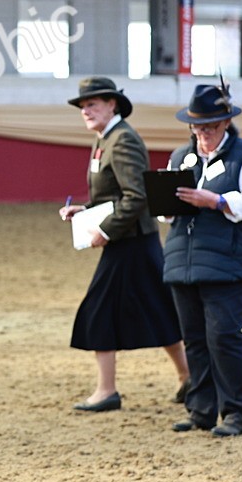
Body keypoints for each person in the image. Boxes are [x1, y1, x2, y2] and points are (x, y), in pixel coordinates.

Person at [58, 77, 188, 412]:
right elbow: (114, 195)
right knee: (159, 309)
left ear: (112, 104)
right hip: (134, 241)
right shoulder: (106, 138)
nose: (86, 111)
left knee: (99, 310)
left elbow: (137, 196)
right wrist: (86, 210)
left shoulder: (122, 139)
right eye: (83, 106)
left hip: (130, 243)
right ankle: (188, 376)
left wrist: (106, 230)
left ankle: (106, 391)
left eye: (92, 104)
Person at [165, 84, 242, 437]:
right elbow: (167, 214)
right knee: (194, 338)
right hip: (183, 261)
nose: (203, 134)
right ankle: (201, 411)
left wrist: (217, 201)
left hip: (229, 262)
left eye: (210, 127)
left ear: (226, 122)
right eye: (197, 127)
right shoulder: (180, 156)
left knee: (224, 336)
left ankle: (237, 413)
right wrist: (164, 203)